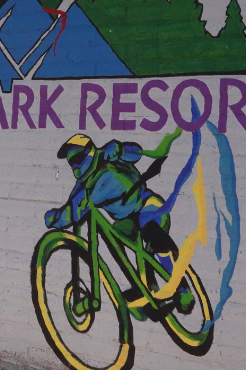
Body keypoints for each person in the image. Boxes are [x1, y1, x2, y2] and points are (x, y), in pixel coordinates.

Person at [45, 132, 195, 316]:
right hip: (125, 222)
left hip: (146, 205)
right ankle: (143, 287)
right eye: (71, 163)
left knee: (151, 233)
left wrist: (120, 149)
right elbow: (72, 212)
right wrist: (55, 218)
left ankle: (182, 289)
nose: (75, 166)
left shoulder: (108, 157)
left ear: (89, 151)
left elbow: (137, 153)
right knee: (115, 242)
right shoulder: (82, 188)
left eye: (77, 158)